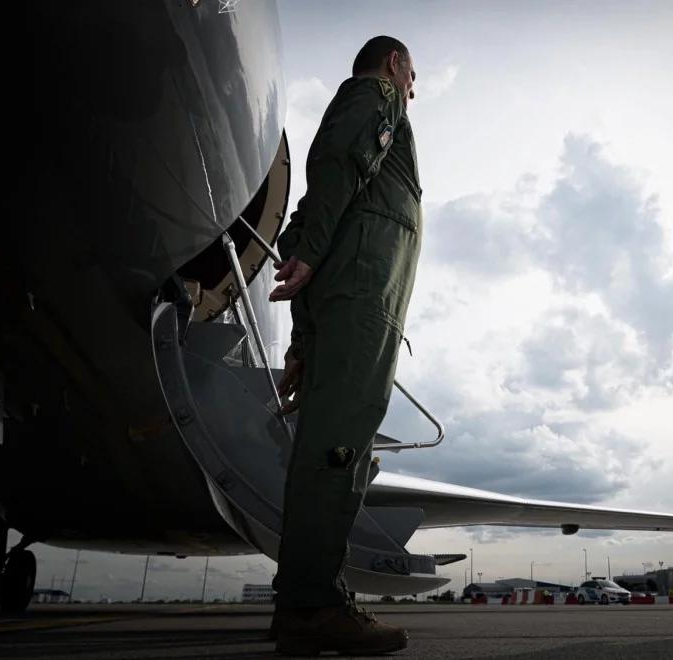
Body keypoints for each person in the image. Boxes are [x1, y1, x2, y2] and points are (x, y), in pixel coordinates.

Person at [267, 36, 422, 656]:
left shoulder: (354, 169)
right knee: (341, 445)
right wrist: (310, 260)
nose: (412, 90)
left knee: (331, 442)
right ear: (394, 64)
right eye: (412, 75)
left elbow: (303, 225)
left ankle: (305, 603)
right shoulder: (377, 96)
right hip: (364, 301)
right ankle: (313, 604)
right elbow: (336, 161)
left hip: (350, 301)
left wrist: (303, 340)